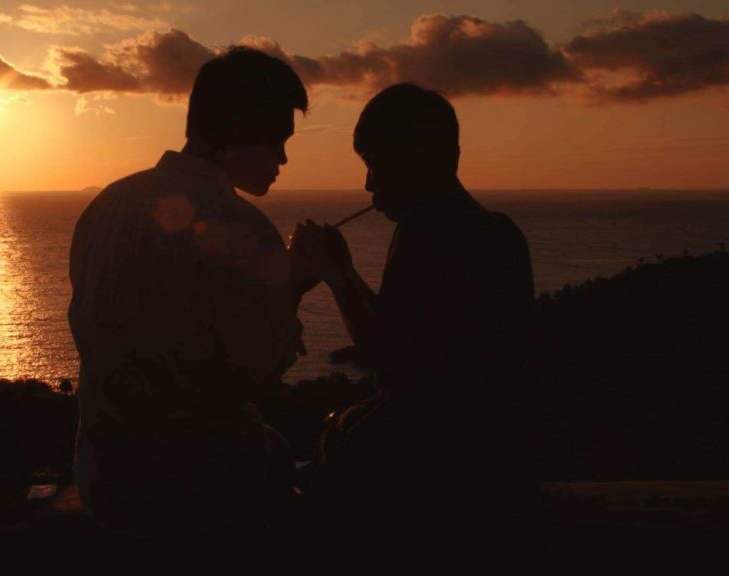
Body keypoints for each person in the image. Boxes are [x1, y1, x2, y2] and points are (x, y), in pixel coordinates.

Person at [67, 47, 316, 537]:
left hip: (103, 477)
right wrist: (296, 281)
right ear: (239, 130)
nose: (284, 158)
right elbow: (256, 371)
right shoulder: (244, 226)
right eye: (277, 142)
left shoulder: (107, 205)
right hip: (196, 486)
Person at [290, 83, 542, 561]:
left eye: (376, 164)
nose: (368, 186)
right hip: (498, 472)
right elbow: (404, 331)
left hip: (438, 493)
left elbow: (393, 361)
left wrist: (338, 278)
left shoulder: (430, 234)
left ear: (419, 157)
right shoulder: (495, 233)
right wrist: (341, 270)